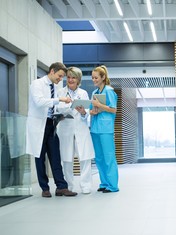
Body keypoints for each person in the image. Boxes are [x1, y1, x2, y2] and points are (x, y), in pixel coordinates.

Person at [25, 62, 77, 197]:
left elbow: (51, 105)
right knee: (40, 157)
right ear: (52, 71)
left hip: (51, 124)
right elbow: (39, 102)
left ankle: (61, 186)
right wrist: (59, 99)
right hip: (38, 125)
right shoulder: (37, 84)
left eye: (62, 77)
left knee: (55, 156)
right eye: (59, 76)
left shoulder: (53, 86)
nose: (60, 79)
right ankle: (45, 188)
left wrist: (61, 111)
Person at [56, 67, 95, 194]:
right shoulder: (60, 92)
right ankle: (69, 186)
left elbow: (86, 112)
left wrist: (83, 112)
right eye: (68, 77)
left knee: (85, 158)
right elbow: (58, 109)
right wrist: (70, 106)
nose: (70, 80)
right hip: (65, 128)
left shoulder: (83, 93)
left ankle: (86, 185)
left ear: (78, 79)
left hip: (80, 127)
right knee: (66, 158)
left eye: (73, 77)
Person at [89, 65, 119, 193]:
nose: (94, 80)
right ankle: (104, 183)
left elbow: (113, 109)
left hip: (106, 129)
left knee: (109, 157)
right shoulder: (94, 93)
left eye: (96, 77)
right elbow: (92, 109)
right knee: (99, 158)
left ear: (103, 77)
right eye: (92, 78)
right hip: (95, 128)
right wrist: (92, 111)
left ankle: (113, 185)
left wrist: (99, 105)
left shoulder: (109, 91)